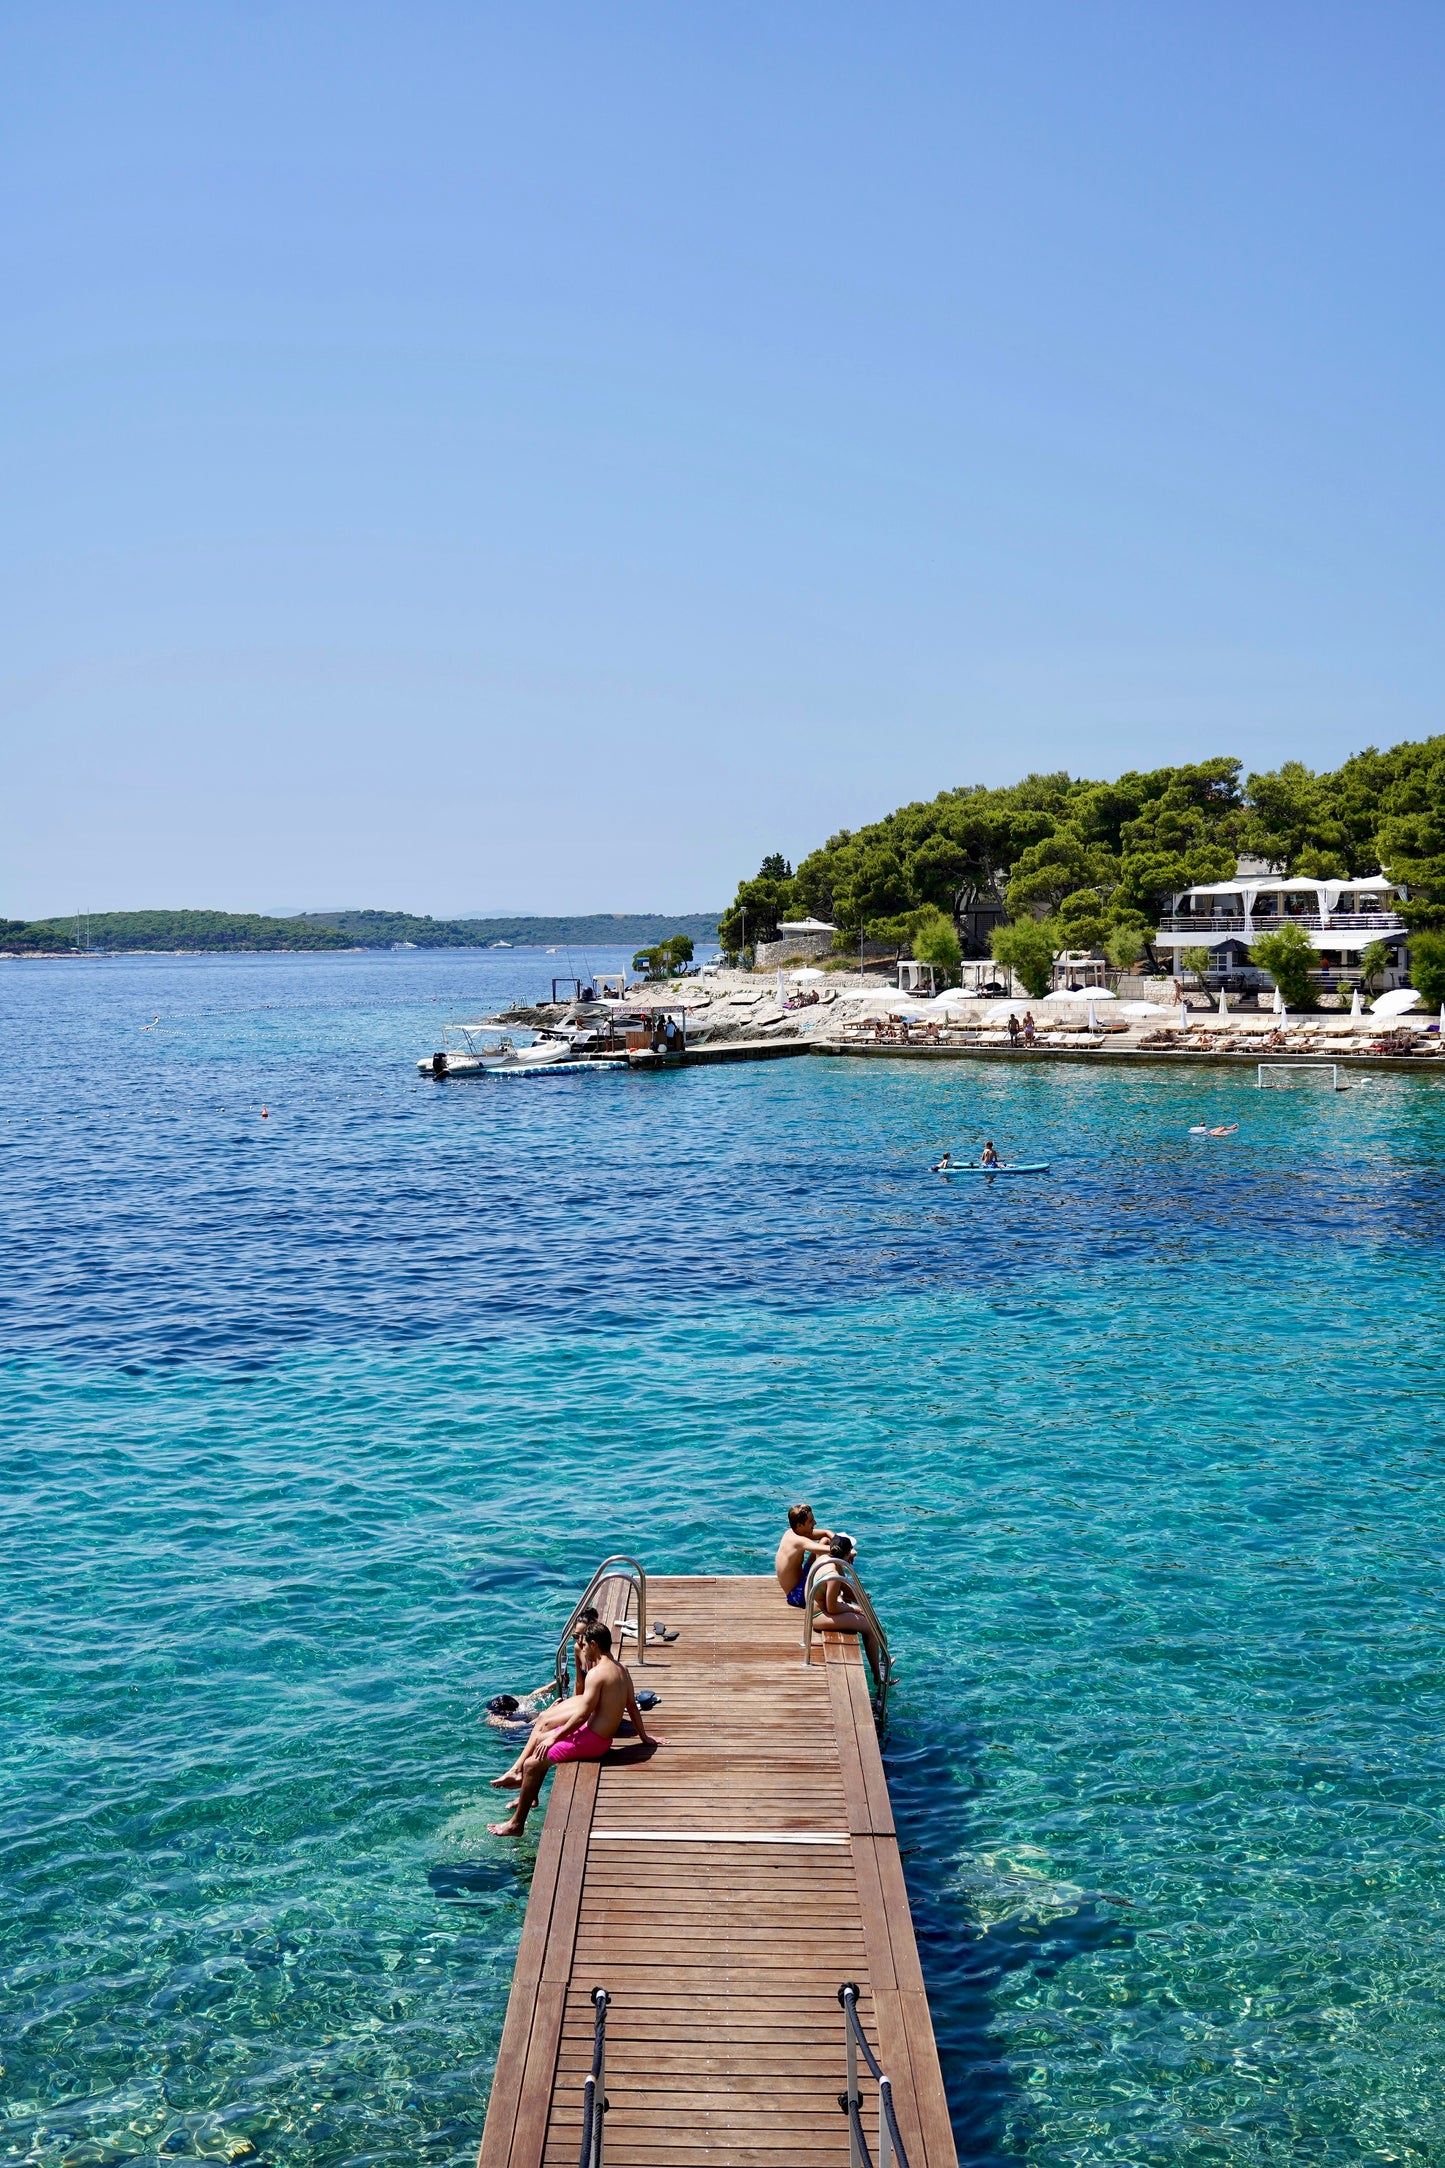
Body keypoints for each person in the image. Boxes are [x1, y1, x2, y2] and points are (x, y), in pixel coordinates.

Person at [489, 1624, 657, 1837]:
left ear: (594, 1645)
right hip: (598, 1737)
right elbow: (632, 1706)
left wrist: (556, 1736)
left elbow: (582, 1715)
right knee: (540, 1737)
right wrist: (644, 1737)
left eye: (584, 1644)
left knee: (532, 1764)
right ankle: (530, 1795)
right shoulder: (621, 1669)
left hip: (593, 1741)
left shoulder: (597, 1674)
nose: (582, 1648)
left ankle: (516, 1825)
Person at [811, 1534, 883, 1678]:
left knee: (866, 1618)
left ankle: (880, 1661)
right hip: (819, 1616)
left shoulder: (825, 1559)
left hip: (820, 1610)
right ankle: (877, 1674)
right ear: (846, 1553)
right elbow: (832, 1608)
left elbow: (840, 1589)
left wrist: (858, 1600)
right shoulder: (832, 1574)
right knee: (868, 1627)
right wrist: (853, 1608)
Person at [776, 1503, 835, 1608]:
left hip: (801, 1582)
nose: (815, 1523)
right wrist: (849, 1551)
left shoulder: (791, 1532)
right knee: (828, 1548)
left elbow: (826, 1533)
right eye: (811, 1521)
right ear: (799, 1525)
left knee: (826, 1540)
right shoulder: (798, 1541)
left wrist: (838, 1540)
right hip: (796, 1596)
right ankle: (843, 1594)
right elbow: (831, 1550)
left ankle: (843, 1592)